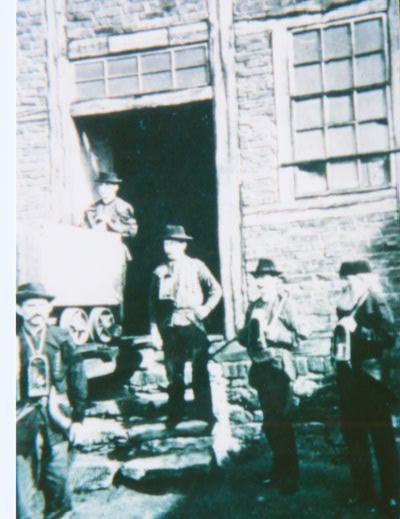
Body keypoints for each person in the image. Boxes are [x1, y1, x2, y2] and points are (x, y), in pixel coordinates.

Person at [237, 258, 310, 495]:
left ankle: (291, 477)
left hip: (279, 370)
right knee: (270, 424)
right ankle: (279, 471)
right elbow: (246, 339)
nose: (260, 283)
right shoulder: (254, 306)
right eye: (258, 278)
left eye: (265, 278)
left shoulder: (285, 305)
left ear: (275, 280)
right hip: (261, 371)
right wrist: (245, 331)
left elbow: (301, 337)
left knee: (282, 423)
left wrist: (277, 334)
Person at [332, 260, 399, 515]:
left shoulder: (376, 302)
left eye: (349, 279)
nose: (345, 284)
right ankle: (363, 490)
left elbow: (389, 338)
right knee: (354, 436)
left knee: (382, 438)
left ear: (361, 279)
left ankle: (392, 493)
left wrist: (360, 330)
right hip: (348, 378)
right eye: (344, 280)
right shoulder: (344, 304)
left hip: (372, 379)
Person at [16, 282, 88, 519]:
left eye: (41, 305)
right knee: (19, 489)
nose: (36, 310)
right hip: (20, 421)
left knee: (57, 478)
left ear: (49, 309)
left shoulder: (61, 337)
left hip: (55, 418)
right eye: (30, 305)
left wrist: (78, 419)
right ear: (19, 309)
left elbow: (77, 376)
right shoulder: (12, 340)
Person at [149, 225, 222, 429]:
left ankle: (204, 414)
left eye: (173, 243)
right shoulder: (159, 272)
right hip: (170, 326)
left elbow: (216, 290)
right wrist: (154, 331)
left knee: (200, 368)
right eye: (166, 243)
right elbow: (152, 306)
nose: (168, 247)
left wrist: (206, 309)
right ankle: (175, 414)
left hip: (193, 324)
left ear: (183, 245)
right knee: (174, 372)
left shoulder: (196, 266)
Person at [84, 171, 138, 238]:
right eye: (100, 185)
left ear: (116, 188)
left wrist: (109, 222)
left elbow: (132, 230)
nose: (102, 188)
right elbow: (85, 227)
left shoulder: (123, 207)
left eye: (107, 185)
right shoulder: (93, 208)